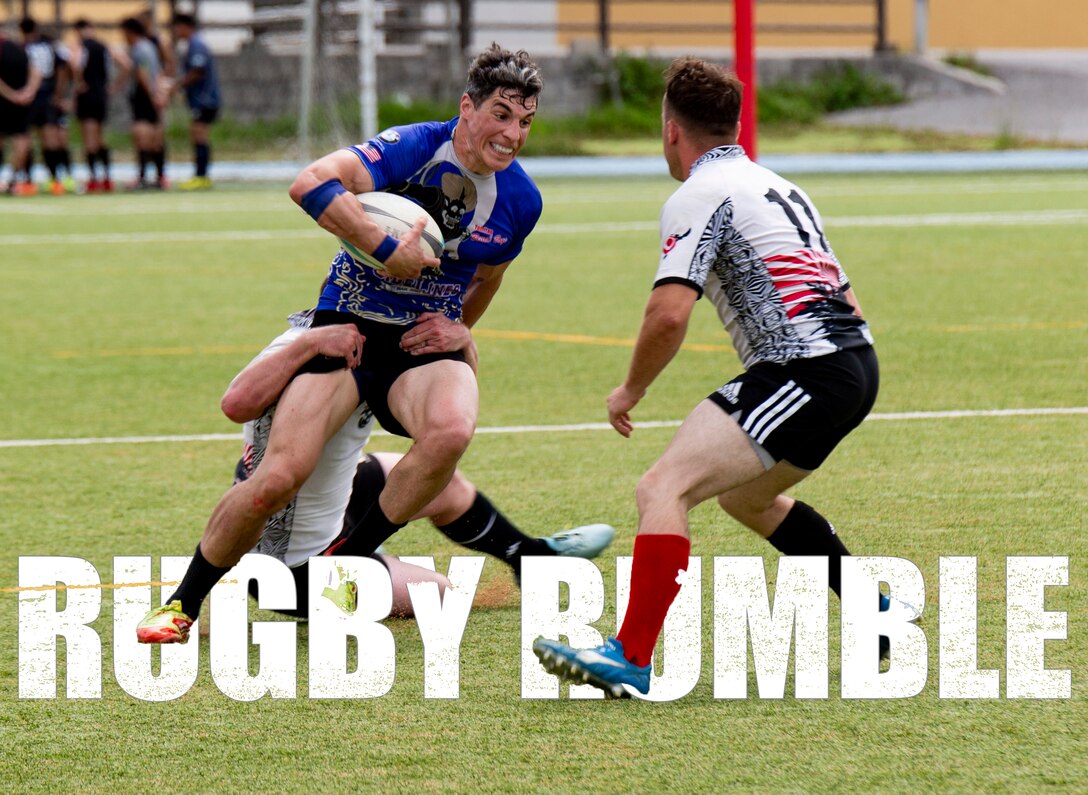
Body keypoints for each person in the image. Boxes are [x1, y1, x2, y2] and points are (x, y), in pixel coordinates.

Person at [135, 43, 550, 643]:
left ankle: (346, 556)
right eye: (503, 114)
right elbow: (309, 184)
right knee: (279, 477)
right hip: (346, 327)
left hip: (420, 344)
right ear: (467, 107)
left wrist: (460, 327)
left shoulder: (522, 201)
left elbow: (490, 277)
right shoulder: (411, 146)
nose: (513, 134)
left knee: (452, 432)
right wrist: (387, 249)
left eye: (526, 122)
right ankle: (180, 605)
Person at [533, 58, 917, 699]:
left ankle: (630, 656)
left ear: (669, 130)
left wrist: (630, 390)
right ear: (733, 125)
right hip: (854, 364)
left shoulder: (695, 195)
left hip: (807, 369)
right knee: (748, 498)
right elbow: (839, 293)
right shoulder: (777, 185)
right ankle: (874, 609)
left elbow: (668, 313)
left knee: (663, 487)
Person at [137, 309, 614, 642]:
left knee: (434, 476)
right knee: (442, 596)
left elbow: (436, 421)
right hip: (291, 566)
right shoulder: (314, 337)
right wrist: (308, 344)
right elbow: (236, 403)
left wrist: (462, 338)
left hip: (335, 496)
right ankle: (190, 601)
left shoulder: (390, 344)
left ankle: (525, 556)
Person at [19, 17, 74, 194]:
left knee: (25, 139)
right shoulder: (51, 45)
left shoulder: (24, 48)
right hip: (48, 96)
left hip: (29, 97)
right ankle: (56, 180)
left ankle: (27, 182)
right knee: (50, 139)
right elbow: (64, 68)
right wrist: (58, 94)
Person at [170, 13, 220, 190]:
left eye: (176, 27)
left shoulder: (196, 44)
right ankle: (201, 175)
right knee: (198, 134)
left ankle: (201, 176)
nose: (175, 31)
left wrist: (178, 85)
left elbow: (198, 70)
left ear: (185, 26)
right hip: (201, 99)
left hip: (204, 99)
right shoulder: (194, 44)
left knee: (199, 134)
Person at [116, 17, 166, 189]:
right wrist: (160, 93)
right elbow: (158, 71)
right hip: (153, 94)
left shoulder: (139, 49)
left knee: (142, 136)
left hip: (144, 96)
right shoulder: (150, 47)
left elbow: (142, 74)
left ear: (130, 32)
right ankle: (160, 177)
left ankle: (143, 177)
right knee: (156, 136)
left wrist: (152, 94)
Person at [71, 19, 115, 192]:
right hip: (101, 95)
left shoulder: (81, 46)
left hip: (87, 96)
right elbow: (123, 63)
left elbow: (76, 65)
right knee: (100, 137)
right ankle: (107, 178)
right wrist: (112, 86)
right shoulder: (103, 46)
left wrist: (79, 83)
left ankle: (93, 180)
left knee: (89, 140)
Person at [0, 27, 40, 195]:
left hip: (4, 100)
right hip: (23, 101)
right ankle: (14, 180)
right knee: (21, 139)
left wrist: (12, 95)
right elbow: (36, 72)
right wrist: (29, 91)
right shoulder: (20, 48)